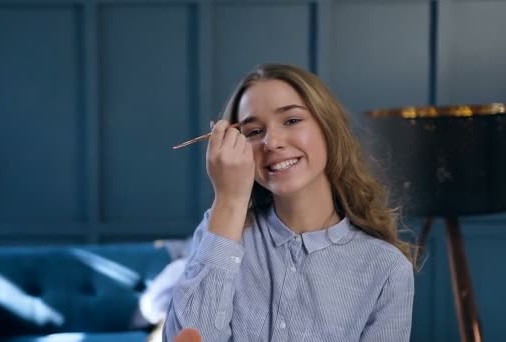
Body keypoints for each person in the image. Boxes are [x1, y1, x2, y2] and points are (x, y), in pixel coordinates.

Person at [164, 64, 415, 341]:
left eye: (292, 121)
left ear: (328, 128)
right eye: (254, 131)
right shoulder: (219, 231)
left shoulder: (386, 268)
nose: (271, 143)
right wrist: (229, 200)